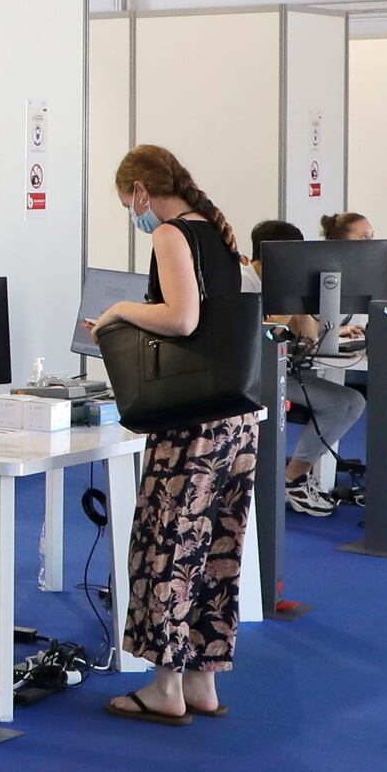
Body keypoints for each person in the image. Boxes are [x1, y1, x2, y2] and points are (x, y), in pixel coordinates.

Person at [89, 147, 260, 726]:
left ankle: (165, 687)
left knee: (168, 543)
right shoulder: (218, 229)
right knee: (215, 549)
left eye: (126, 203)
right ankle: (202, 680)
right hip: (236, 416)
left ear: (141, 190)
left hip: (190, 420)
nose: (131, 215)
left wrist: (119, 310)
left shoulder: (170, 233)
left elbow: (183, 319)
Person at [252, 219, 363, 525]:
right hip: (253, 377)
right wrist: (288, 299)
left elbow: (310, 338)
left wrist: (302, 305)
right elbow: (264, 331)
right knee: (339, 403)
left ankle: (294, 477)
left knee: (354, 401)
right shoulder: (245, 281)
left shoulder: (280, 283)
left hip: (283, 372)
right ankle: (293, 481)